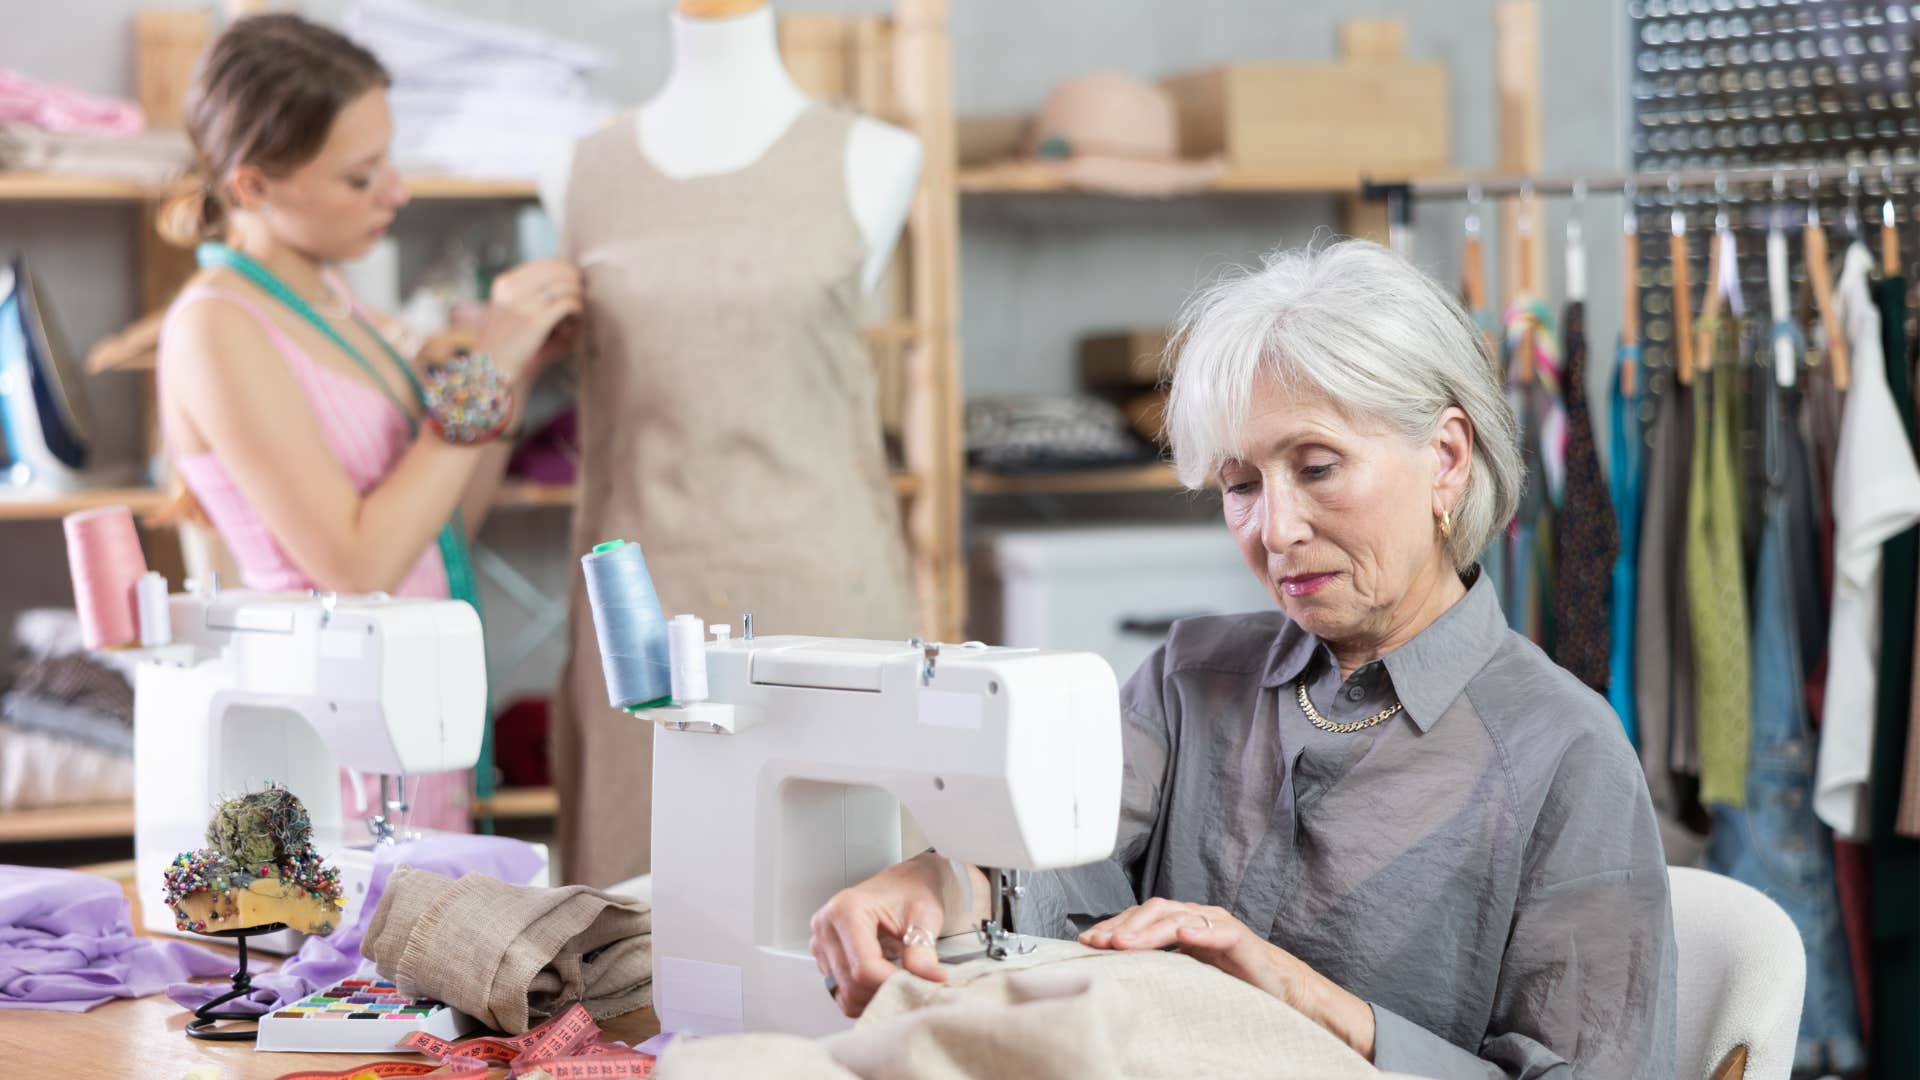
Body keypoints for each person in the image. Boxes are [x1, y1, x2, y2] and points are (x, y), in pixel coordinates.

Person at [809, 240, 1677, 1078]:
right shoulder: (1191, 679)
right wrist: (931, 885)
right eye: (1240, 485)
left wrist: (1303, 999)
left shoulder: (1563, 753)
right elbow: (1044, 858)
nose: (1276, 530)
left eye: (1318, 467)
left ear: (1446, 459)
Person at [154, 14, 581, 834]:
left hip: (408, 718)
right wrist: (481, 373)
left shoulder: (336, 307)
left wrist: (510, 376)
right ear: (253, 187)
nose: (397, 189)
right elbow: (356, 562)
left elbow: (437, 528)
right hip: (330, 742)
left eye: (388, 157)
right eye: (360, 176)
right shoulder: (218, 327)